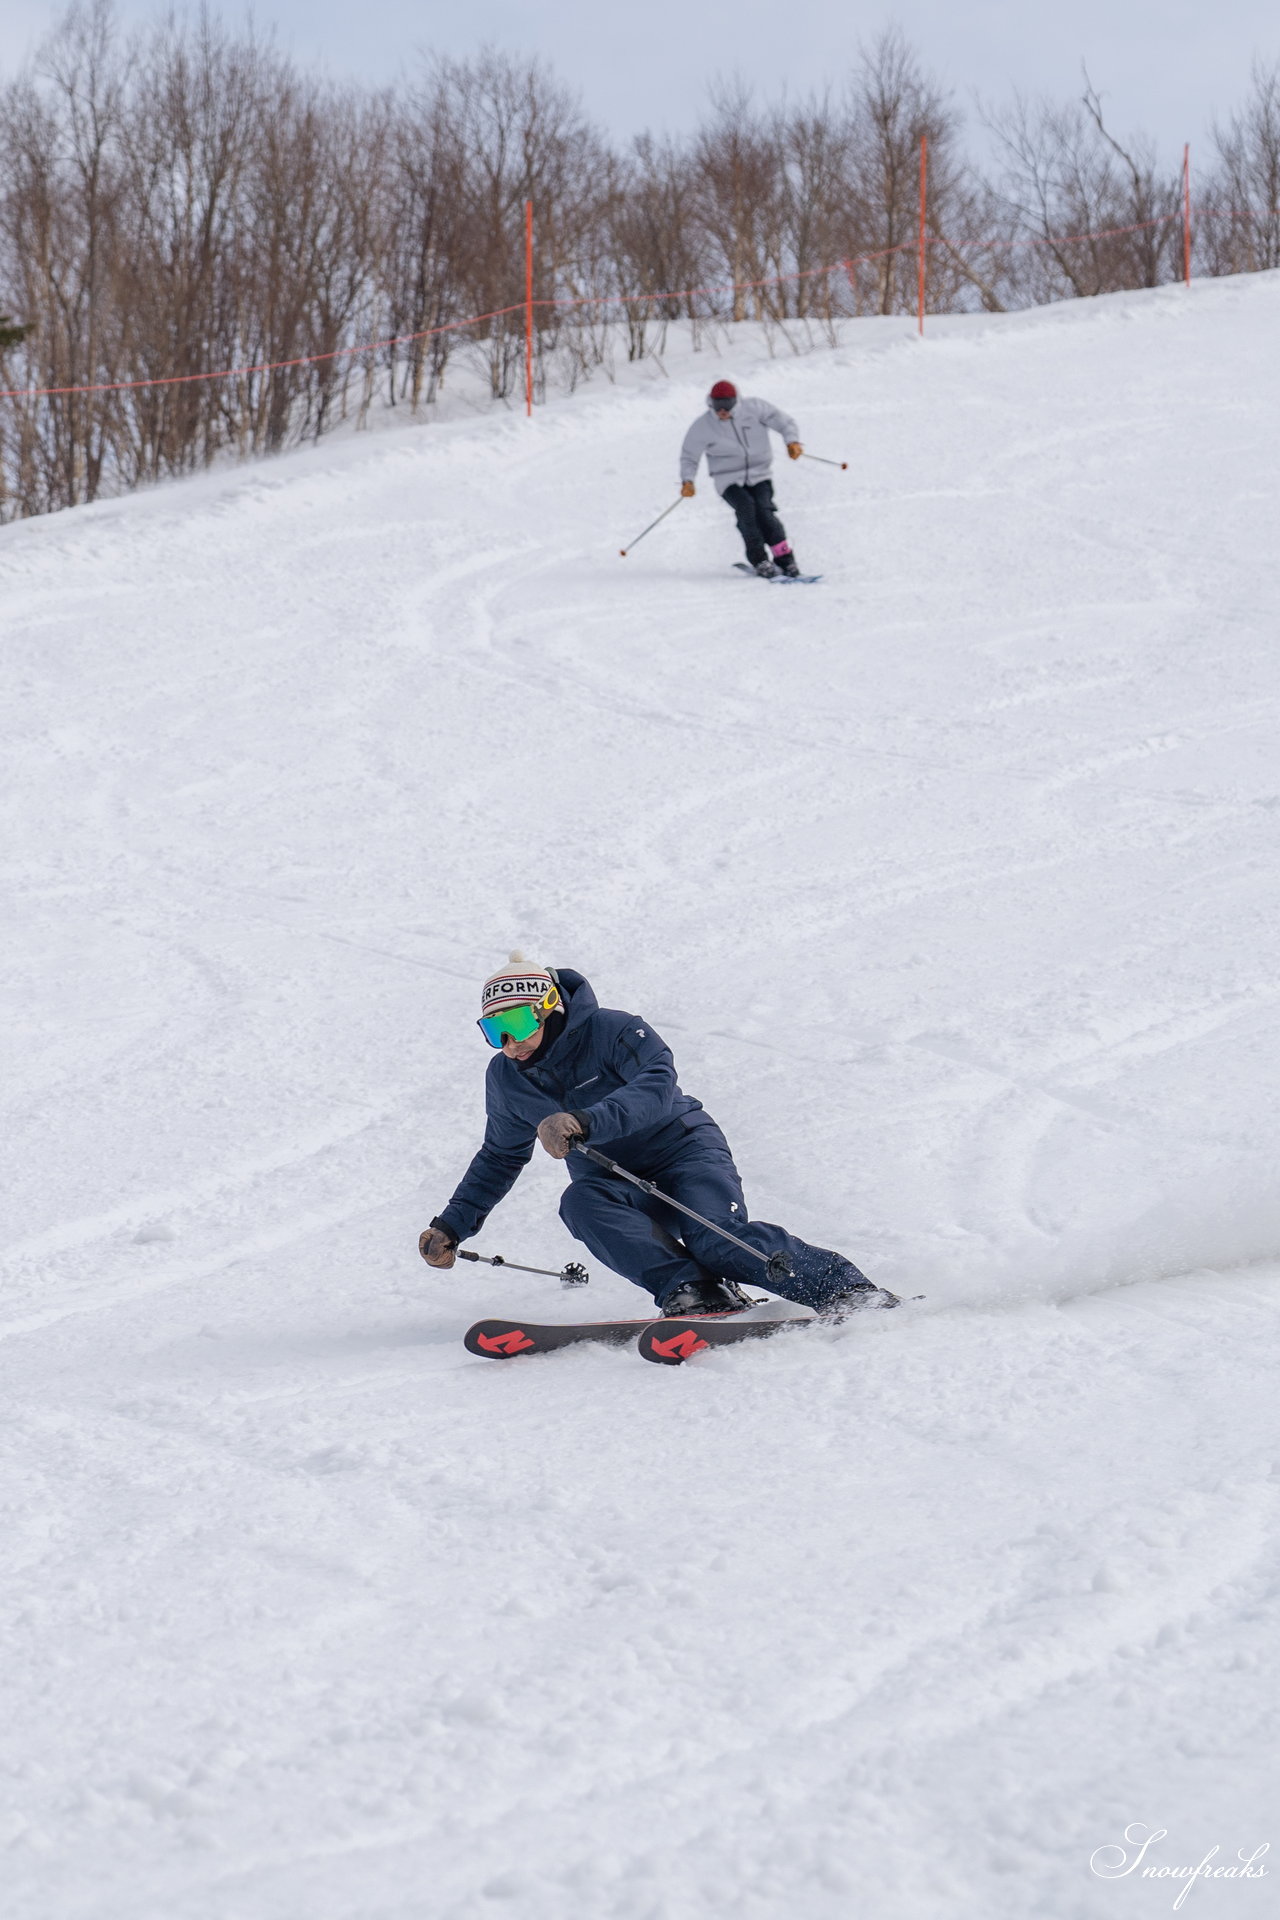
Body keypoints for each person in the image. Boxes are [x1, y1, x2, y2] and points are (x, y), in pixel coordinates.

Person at [419, 955, 894, 1318]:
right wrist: (452, 1226)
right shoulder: (507, 1078)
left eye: (518, 1024)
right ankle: (696, 1290)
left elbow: (656, 1089)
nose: (511, 1043)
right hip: (613, 1179)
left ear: (549, 1008)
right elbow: (499, 1157)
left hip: (683, 1152)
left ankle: (848, 1291)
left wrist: (584, 1121)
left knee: (717, 1240)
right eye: (494, 1031)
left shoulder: (615, 1031)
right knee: (581, 1203)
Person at [679, 379, 805, 578]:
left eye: (727, 405)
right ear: (711, 403)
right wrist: (688, 480)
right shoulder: (703, 426)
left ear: (735, 400)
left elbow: (784, 422)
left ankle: (785, 559)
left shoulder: (754, 408)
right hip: (727, 479)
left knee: (765, 513)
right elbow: (689, 455)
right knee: (746, 509)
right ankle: (760, 560)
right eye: (717, 405)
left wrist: (792, 442)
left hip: (760, 473)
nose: (722, 410)